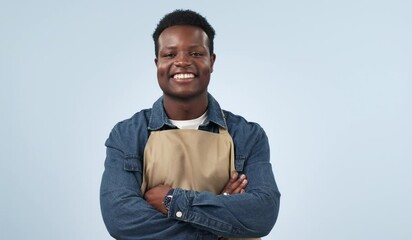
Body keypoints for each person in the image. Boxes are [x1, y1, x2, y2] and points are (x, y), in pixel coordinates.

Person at [100, 9, 280, 240]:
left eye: (196, 53)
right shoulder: (126, 135)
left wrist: (171, 200)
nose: (182, 61)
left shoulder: (247, 135)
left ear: (211, 61)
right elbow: (120, 220)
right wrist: (220, 222)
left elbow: (261, 215)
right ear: (158, 63)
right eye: (170, 54)